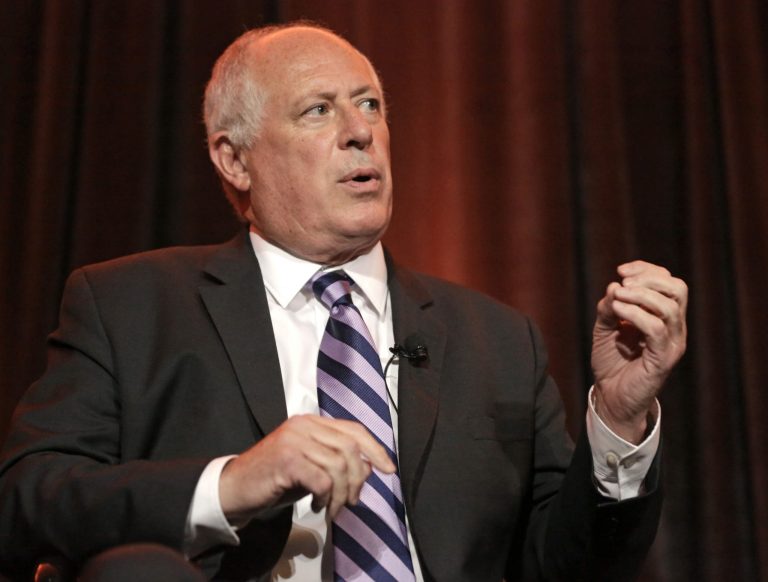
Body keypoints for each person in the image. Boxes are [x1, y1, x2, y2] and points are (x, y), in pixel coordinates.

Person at [0, 22, 687, 582]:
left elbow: (569, 567)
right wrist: (232, 483)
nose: (360, 131)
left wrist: (620, 423)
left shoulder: (496, 338)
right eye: (318, 110)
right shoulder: (130, 307)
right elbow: (28, 502)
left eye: (370, 105)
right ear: (235, 160)